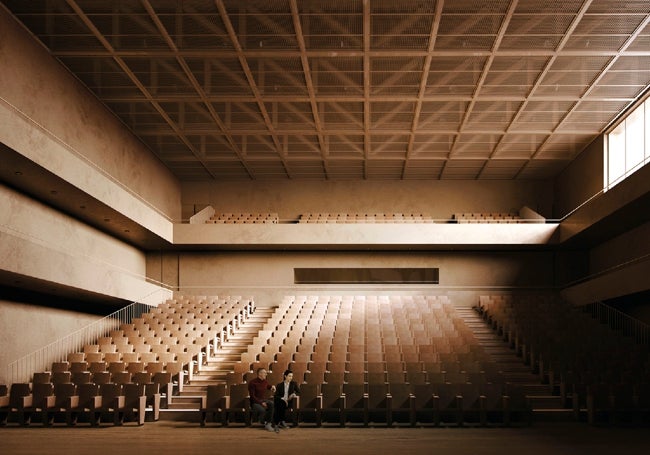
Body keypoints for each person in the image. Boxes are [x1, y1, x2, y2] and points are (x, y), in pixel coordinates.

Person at [248, 368, 276, 432]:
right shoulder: (252, 383)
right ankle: (264, 422)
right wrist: (261, 403)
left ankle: (268, 423)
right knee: (262, 410)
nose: (266, 374)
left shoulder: (265, 381)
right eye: (264, 373)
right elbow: (252, 396)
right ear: (260, 374)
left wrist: (272, 386)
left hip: (263, 400)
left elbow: (267, 386)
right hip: (254, 402)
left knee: (272, 404)